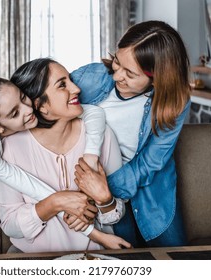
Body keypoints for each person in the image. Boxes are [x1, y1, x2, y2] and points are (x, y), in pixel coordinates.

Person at [0, 74, 118, 259]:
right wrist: (93, 232)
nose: (27, 110)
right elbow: (28, 184)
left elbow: (93, 111)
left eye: (23, 98)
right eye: (15, 113)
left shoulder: (0, 105)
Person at [71, 20, 191, 247]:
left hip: (151, 196)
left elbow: (150, 163)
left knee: (180, 261)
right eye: (117, 63)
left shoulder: (176, 100)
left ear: (158, 77)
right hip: (95, 189)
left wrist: (99, 190)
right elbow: (31, 89)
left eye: (130, 73)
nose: (116, 77)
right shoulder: (92, 77)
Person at [0, 58, 131, 252]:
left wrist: (104, 201)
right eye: (62, 85)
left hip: (93, 257)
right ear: (41, 106)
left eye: (70, 80)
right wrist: (54, 204)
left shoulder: (102, 135)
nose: (76, 89)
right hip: (33, 261)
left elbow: (117, 213)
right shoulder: (11, 147)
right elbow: (9, 224)